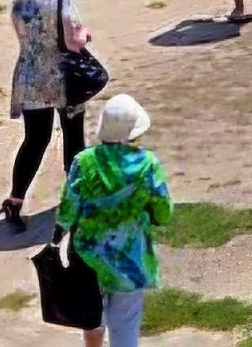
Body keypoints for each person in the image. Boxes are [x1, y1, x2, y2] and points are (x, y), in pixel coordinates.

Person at [55, 93, 171, 347]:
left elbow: (66, 211)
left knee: (92, 323)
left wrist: (59, 236)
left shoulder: (83, 161)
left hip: (88, 258)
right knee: (126, 326)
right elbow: (163, 213)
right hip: (130, 260)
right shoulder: (146, 163)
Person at [1, 0, 91, 232]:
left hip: (30, 76)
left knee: (35, 140)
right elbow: (75, 39)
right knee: (73, 138)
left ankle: (15, 199)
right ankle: (76, 198)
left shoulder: (19, 4)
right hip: (64, 76)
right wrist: (86, 35)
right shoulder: (62, 1)